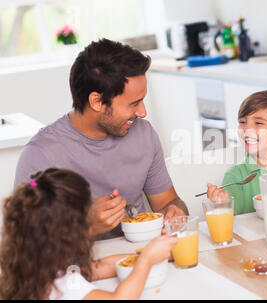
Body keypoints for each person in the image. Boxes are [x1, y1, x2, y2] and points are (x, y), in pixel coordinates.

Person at [14, 38, 188, 239]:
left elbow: (168, 202)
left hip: (146, 256)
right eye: (134, 103)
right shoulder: (40, 156)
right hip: (79, 267)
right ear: (97, 101)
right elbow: (26, 243)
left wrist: (175, 211)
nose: (143, 112)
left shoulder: (143, 134)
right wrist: (87, 226)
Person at [0, 168, 178, 300]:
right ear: (73, 231)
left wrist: (157, 254)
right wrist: (146, 260)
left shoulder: (31, 268)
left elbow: (100, 267)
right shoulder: (64, 288)